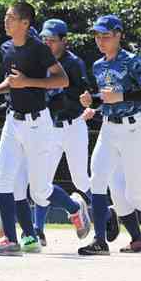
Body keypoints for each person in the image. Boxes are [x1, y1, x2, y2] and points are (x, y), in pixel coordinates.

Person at [0, 1, 90, 256]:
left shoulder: (39, 49)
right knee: (5, 183)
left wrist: (28, 81)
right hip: (12, 121)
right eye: (6, 17)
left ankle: (74, 208)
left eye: (10, 17)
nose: (5, 21)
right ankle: (14, 239)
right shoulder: (6, 47)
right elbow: (12, 80)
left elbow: (62, 79)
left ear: (25, 23)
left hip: (38, 124)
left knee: (39, 190)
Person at [77, 15, 141, 255]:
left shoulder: (133, 62)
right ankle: (100, 241)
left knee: (136, 192)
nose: (100, 41)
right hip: (108, 129)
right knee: (97, 180)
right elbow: (109, 98)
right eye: (97, 36)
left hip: (133, 129)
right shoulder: (97, 65)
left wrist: (121, 98)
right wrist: (92, 102)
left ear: (118, 35)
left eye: (105, 35)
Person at [38, 18, 94, 247]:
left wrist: (80, 100)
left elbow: (84, 94)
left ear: (64, 41)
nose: (48, 43)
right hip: (49, 128)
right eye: (44, 39)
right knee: (42, 179)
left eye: (52, 39)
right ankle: (37, 230)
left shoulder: (74, 63)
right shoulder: (40, 61)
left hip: (73, 126)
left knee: (80, 178)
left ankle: (108, 214)